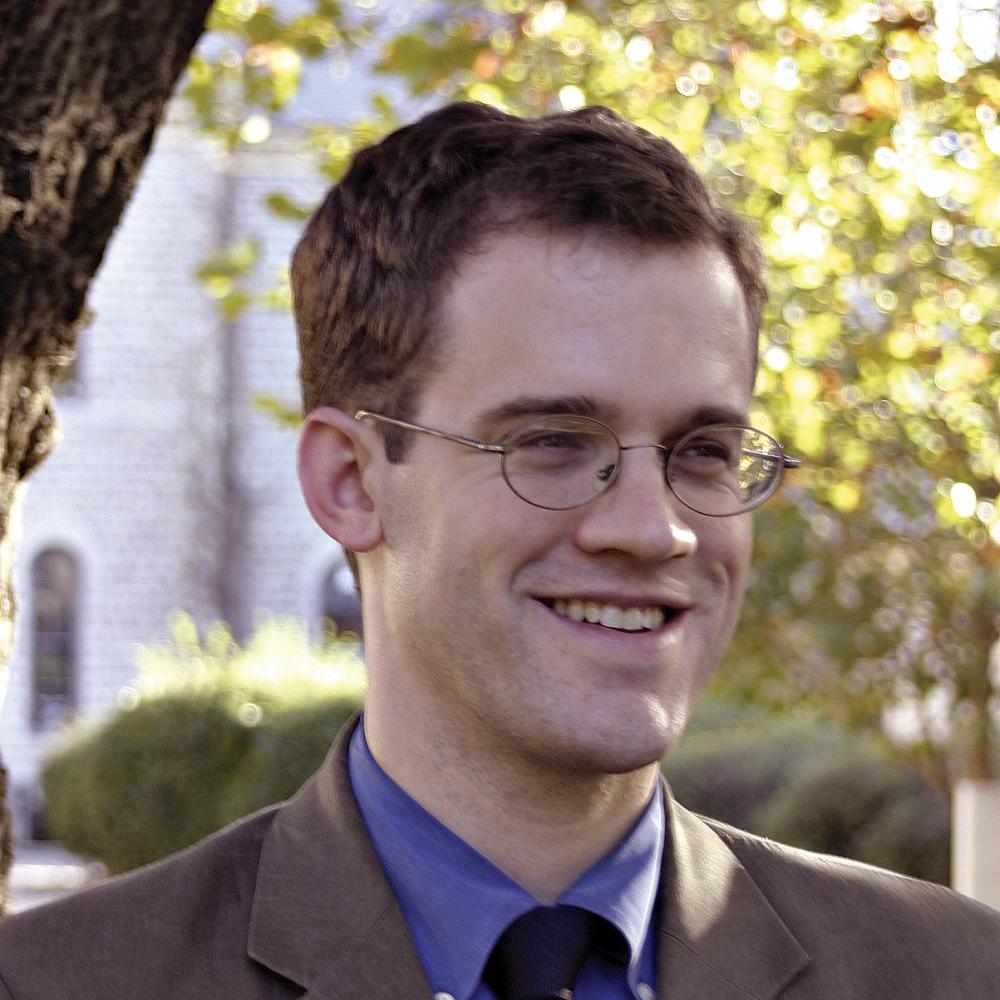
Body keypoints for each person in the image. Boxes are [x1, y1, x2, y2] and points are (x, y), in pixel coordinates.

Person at [0, 102, 997, 1000]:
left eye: (703, 451)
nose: (655, 529)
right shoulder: (60, 983)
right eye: (554, 444)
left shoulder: (952, 975)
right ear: (351, 481)